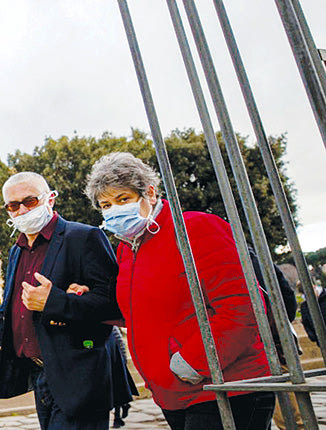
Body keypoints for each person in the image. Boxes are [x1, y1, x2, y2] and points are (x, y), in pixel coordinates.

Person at [83, 152, 273, 430]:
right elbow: (140, 312)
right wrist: (83, 298)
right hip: (174, 393)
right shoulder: (128, 248)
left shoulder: (195, 228)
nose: (114, 209)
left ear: (149, 192)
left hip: (227, 386)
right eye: (105, 205)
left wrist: (194, 362)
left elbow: (243, 306)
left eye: (123, 199)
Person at [0, 171, 129, 429]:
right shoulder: (17, 250)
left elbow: (115, 305)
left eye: (30, 201)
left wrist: (54, 301)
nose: (22, 210)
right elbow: (6, 313)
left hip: (80, 373)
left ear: (50, 199)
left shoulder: (83, 238)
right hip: (39, 374)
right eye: (13, 205)